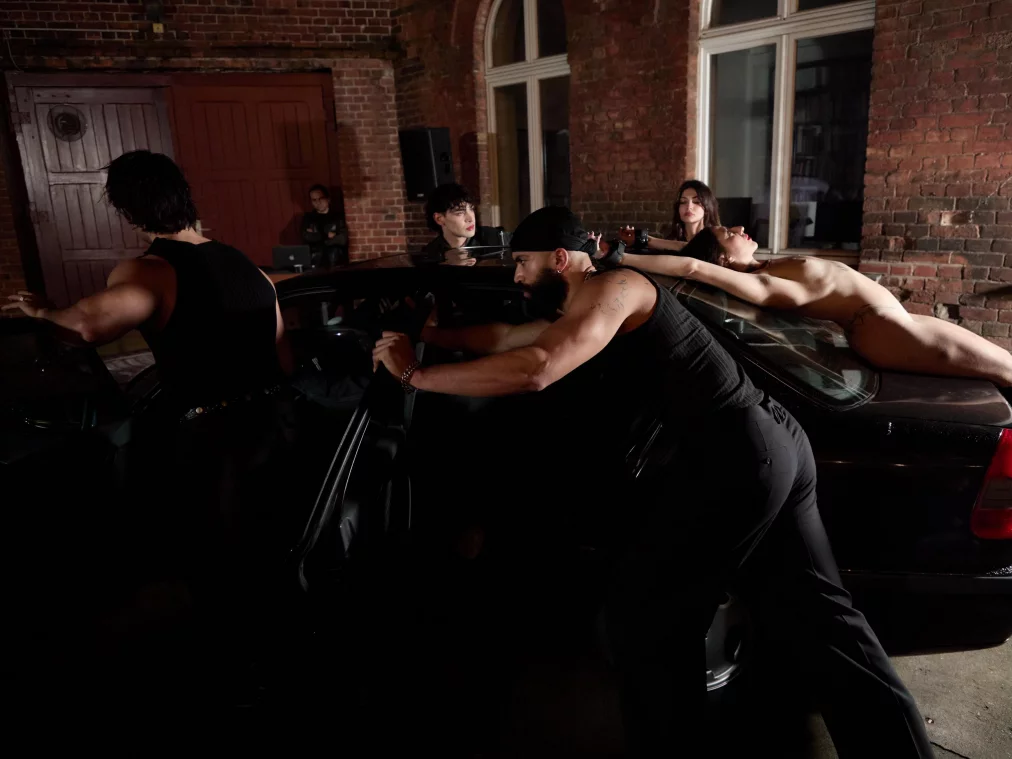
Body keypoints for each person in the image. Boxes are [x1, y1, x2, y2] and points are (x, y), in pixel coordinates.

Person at [373, 206, 933, 757]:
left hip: (737, 454)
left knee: (647, 624)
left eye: (523, 261)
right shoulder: (584, 303)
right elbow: (505, 340)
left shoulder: (616, 286)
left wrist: (413, 374)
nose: (516, 275)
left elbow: (537, 367)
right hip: (769, 445)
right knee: (824, 624)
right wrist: (434, 335)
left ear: (561, 258)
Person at [4, 149, 299, 703]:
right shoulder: (248, 267)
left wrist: (44, 314)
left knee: (215, 569)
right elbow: (282, 359)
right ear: (184, 198)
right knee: (267, 558)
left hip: (214, 446)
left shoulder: (151, 271)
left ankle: (233, 682)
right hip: (276, 431)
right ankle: (278, 667)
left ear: (128, 211)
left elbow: (88, 324)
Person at [617, 225, 1012, 387]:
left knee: (1005, 367)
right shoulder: (765, 284)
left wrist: (646, 242)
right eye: (729, 233)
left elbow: (688, 252)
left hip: (895, 323)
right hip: (886, 330)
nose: (739, 230)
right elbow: (691, 264)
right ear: (723, 261)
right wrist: (619, 259)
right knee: (1006, 371)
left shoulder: (764, 265)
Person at [413, 183, 511, 267]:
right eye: (460, 212)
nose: (470, 218)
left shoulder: (495, 238)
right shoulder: (429, 255)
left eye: (471, 209)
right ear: (439, 219)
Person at [618, 178, 726, 253]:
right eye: (683, 202)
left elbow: (692, 249)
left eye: (696, 202)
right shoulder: (671, 238)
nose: (689, 207)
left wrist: (645, 239)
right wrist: (632, 244)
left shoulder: (717, 239)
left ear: (707, 208)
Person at [301, 183, 348, 268]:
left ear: (328, 199)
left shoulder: (338, 217)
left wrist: (319, 239)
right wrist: (327, 236)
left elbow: (342, 239)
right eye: (314, 200)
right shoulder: (308, 218)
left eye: (320, 198)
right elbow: (306, 236)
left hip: (336, 261)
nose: (318, 202)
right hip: (316, 262)